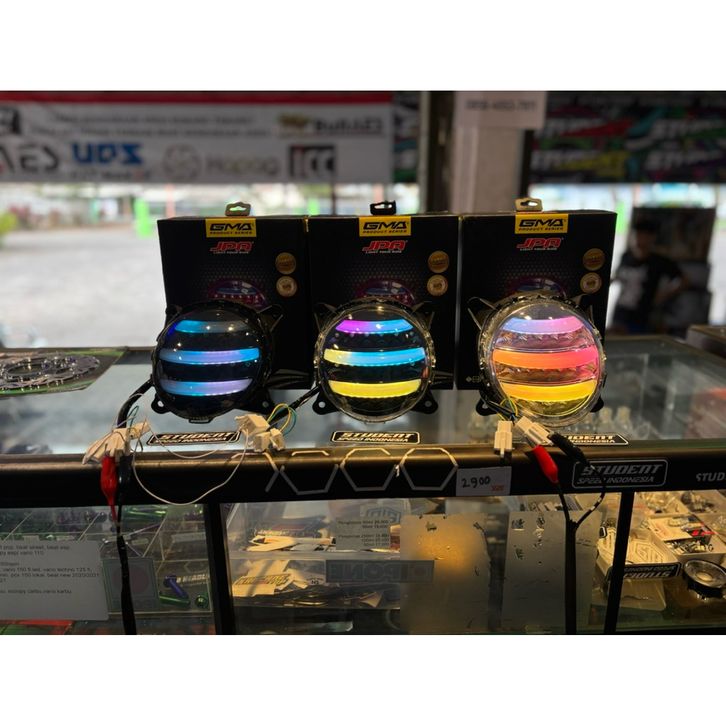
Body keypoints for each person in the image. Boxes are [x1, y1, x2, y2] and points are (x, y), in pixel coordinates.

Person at [611, 218, 688, 334]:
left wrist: (664, 295)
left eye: (645, 236)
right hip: (620, 312)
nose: (640, 239)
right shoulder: (626, 256)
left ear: (653, 238)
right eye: (638, 235)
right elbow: (617, 276)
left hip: (643, 315)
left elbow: (684, 280)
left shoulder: (659, 261)